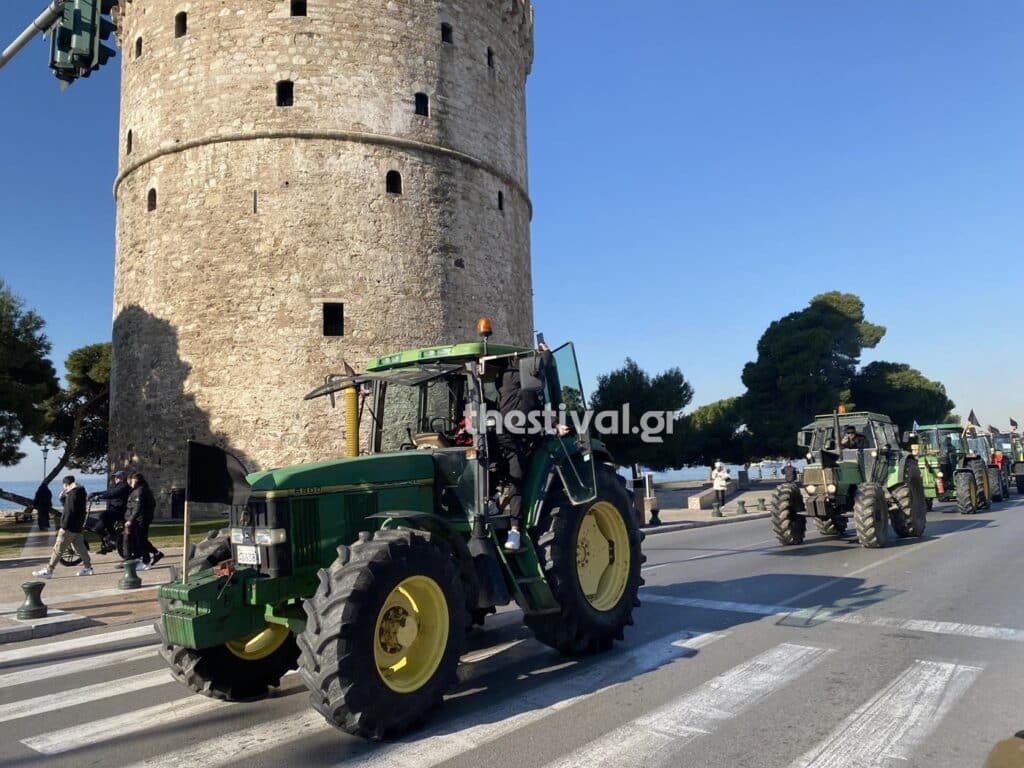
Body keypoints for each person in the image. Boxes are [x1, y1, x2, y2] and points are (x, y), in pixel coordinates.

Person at [495, 341, 559, 551]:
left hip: (510, 433)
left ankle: (498, 505)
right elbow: (543, 364)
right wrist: (546, 353)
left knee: (509, 470)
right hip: (511, 435)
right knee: (517, 475)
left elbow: (535, 409)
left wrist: (553, 424)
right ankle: (515, 530)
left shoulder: (506, 380)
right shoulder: (517, 375)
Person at [32, 476, 93, 578]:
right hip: (77, 526)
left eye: (64, 487)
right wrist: (63, 499)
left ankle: (49, 570)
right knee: (80, 548)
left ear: (66, 484)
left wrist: (63, 526)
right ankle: (88, 568)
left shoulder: (72, 494)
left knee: (58, 548)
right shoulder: (81, 492)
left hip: (69, 527)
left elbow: (69, 512)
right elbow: (73, 508)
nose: (64, 489)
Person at [125, 472, 164, 569]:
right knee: (141, 539)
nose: (130, 482)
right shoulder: (140, 490)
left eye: (132, 480)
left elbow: (138, 507)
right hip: (140, 519)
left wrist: (130, 520)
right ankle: (155, 553)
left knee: (141, 540)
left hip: (140, 520)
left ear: (136, 480)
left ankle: (146, 561)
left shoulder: (140, 491)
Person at [89, 470, 130, 555]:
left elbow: (114, 494)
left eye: (117, 477)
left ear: (122, 478)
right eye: (115, 477)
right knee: (97, 529)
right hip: (113, 511)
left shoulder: (124, 486)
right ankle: (107, 546)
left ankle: (113, 535)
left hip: (120, 511)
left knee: (103, 515)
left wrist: (100, 497)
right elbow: (108, 492)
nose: (115, 478)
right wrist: (94, 493)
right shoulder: (117, 486)